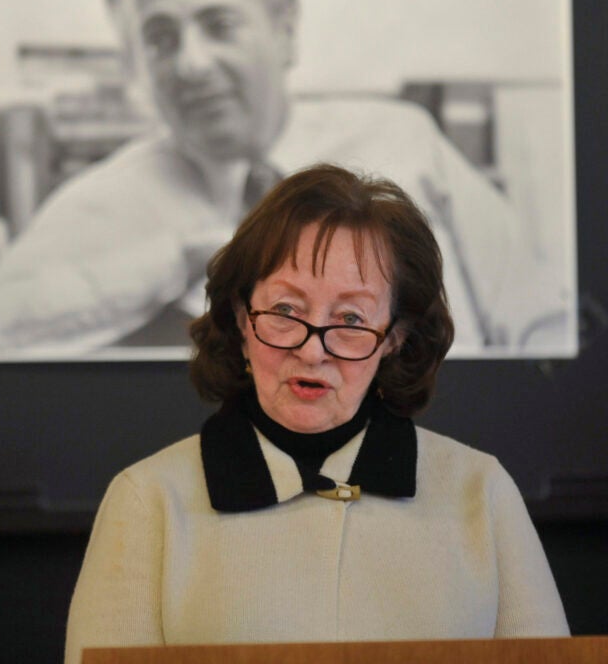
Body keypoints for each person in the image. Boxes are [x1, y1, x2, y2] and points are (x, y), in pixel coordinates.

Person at [0, 0, 556, 358]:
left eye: (219, 24)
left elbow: (540, 319)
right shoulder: (101, 202)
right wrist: (174, 263)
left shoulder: (403, 139)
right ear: (133, 67)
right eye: (160, 38)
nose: (191, 63)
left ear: (286, 32)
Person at [63, 164, 568, 662]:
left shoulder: (482, 492)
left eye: (350, 318)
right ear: (242, 318)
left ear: (393, 338)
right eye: (286, 311)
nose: (312, 352)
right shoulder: (147, 502)